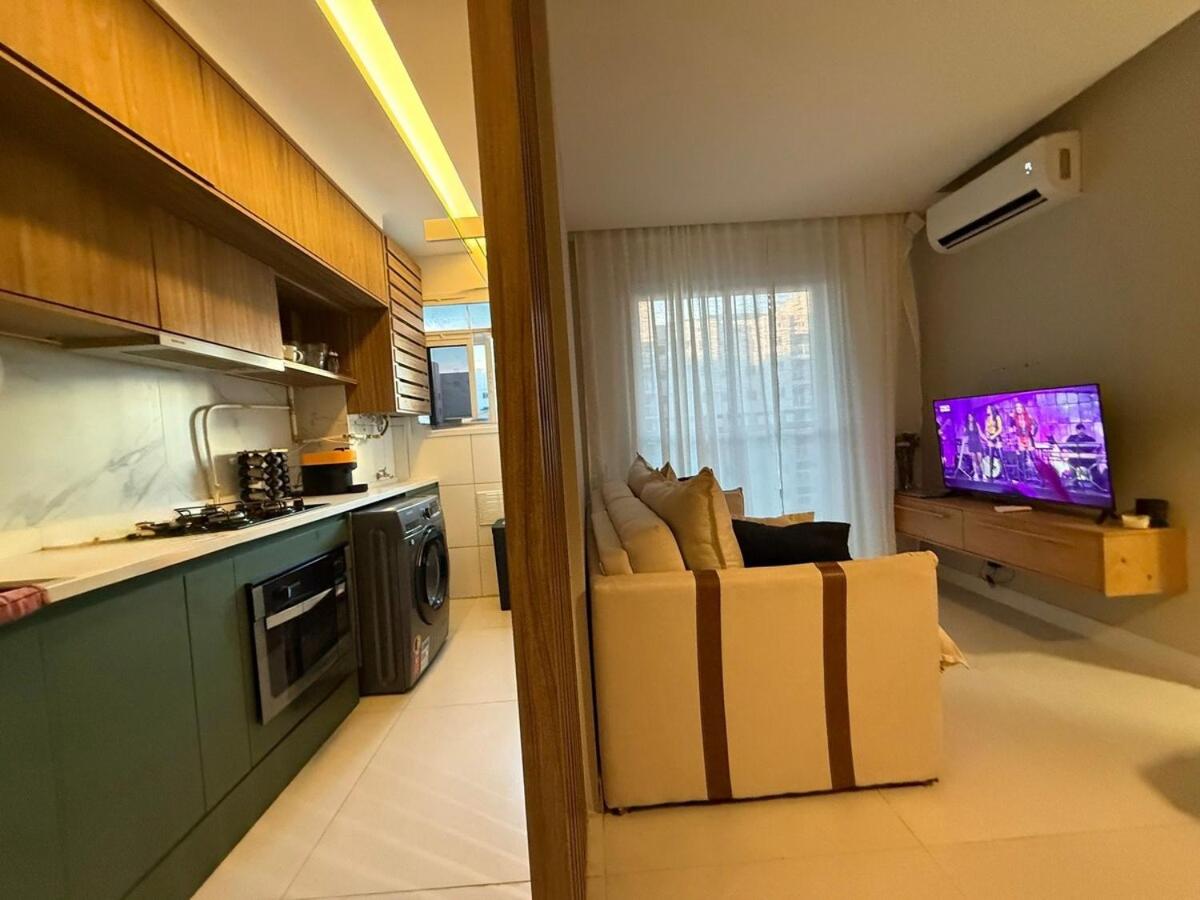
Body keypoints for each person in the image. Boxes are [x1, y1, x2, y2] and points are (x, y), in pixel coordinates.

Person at [1009, 400, 1039, 479]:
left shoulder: (1028, 416)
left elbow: (1036, 425)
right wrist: (1013, 431)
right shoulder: (1014, 418)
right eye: (1016, 407)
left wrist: (1033, 433)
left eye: (1020, 407)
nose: (1018, 409)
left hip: (1028, 438)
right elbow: (1010, 428)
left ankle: (1038, 475)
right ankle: (1025, 477)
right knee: (1022, 459)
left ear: (1023, 408)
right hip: (1020, 439)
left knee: (1033, 457)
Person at [983, 404, 1004, 481]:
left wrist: (994, 436)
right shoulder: (987, 418)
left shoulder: (997, 417)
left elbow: (1000, 429)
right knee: (990, 457)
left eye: (988, 408)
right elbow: (986, 429)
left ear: (992, 409)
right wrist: (987, 435)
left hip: (996, 437)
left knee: (1001, 457)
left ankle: (1005, 475)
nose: (987, 410)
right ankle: (991, 475)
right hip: (990, 438)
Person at [964, 412, 986, 481]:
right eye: (969, 417)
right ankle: (976, 474)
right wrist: (965, 446)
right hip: (971, 444)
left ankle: (984, 474)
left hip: (977, 443)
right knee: (974, 459)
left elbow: (981, 434)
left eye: (971, 417)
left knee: (980, 459)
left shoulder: (976, 424)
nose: (970, 418)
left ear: (973, 417)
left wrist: (986, 440)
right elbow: (965, 436)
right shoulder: (966, 426)